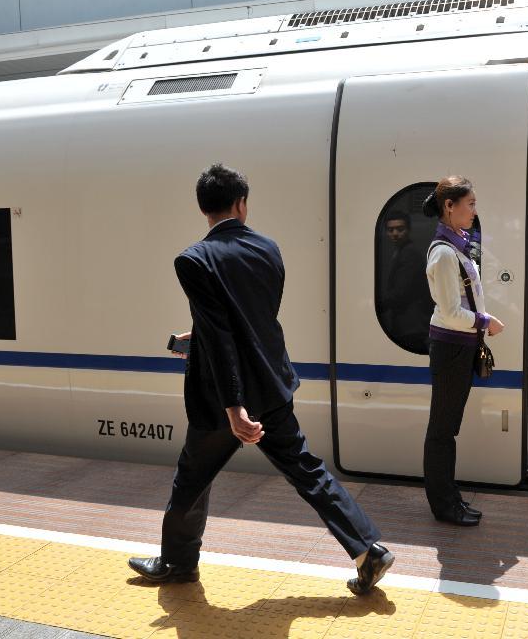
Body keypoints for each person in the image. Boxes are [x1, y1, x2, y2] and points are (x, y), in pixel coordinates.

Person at [128, 164, 394, 595]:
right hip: (272, 385)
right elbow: (250, 319)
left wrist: (234, 408)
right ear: (241, 204)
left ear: (203, 208)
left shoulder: (193, 260)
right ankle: (369, 549)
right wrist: (196, 334)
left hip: (222, 402)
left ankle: (177, 563)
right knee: (307, 470)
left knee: (192, 478)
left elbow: (220, 335)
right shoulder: (268, 249)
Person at [422, 176, 505, 527]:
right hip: (451, 348)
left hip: (459, 347)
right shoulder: (443, 253)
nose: (474, 210)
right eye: (469, 204)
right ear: (449, 207)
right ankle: (444, 506)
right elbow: (451, 311)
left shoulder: (456, 246)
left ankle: (451, 498)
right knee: (442, 430)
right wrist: (486, 322)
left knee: (447, 428)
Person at [380, 210, 432, 351]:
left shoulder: (409, 254)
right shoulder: (401, 252)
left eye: (400, 229)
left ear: (408, 230)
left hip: (412, 325)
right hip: (409, 323)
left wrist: (378, 305)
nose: (395, 233)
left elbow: (401, 292)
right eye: (391, 230)